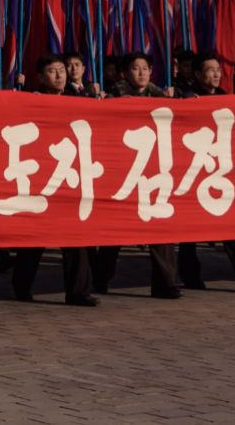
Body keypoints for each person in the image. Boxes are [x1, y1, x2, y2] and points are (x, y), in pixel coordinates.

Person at [174, 53, 235, 291]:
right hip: (194, 171)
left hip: (220, 172)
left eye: (218, 70)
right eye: (210, 70)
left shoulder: (224, 98)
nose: (216, 74)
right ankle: (190, 275)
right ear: (197, 74)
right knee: (190, 232)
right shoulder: (185, 96)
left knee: (232, 221)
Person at [11, 54, 99, 307]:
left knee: (76, 238)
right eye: (52, 71)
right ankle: (21, 286)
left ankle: (78, 291)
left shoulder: (80, 100)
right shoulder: (31, 100)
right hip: (40, 177)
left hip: (70, 177)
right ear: (40, 77)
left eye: (62, 70)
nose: (60, 75)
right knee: (34, 239)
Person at [93, 53, 183, 299]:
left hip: (154, 173)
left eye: (145, 68)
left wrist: (180, 101)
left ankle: (165, 283)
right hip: (125, 173)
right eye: (135, 68)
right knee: (116, 234)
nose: (141, 73)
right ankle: (99, 278)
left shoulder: (163, 97)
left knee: (161, 229)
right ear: (126, 73)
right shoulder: (114, 97)